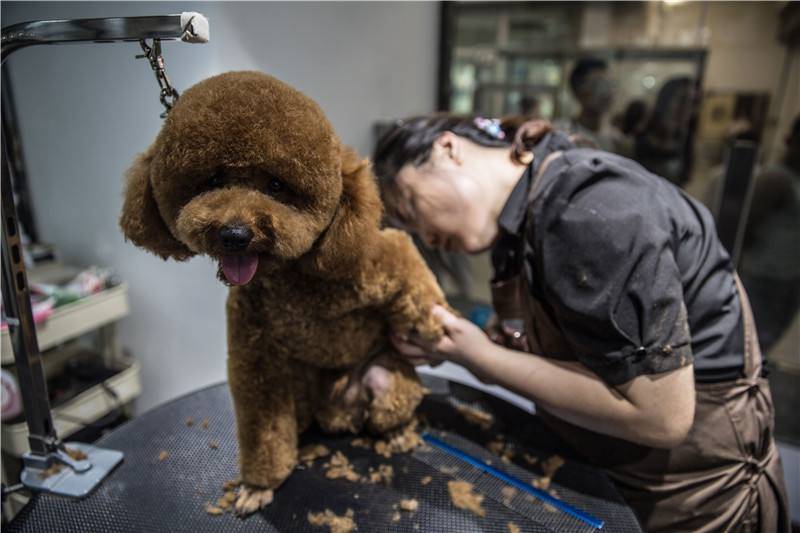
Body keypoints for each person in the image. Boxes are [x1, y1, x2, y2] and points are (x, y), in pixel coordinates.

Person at [372, 115, 790, 532]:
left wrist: (479, 357)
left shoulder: (588, 210)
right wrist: (481, 342)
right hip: (618, 475)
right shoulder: (525, 218)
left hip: (698, 498)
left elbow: (662, 416)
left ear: (448, 149)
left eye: (411, 208)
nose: (425, 239)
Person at [739, 116, 800, 352]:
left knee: (766, 339)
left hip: (788, 275)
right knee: (753, 340)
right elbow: (748, 222)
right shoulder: (776, 178)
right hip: (763, 275)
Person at [634, 77, 696, 186]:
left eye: (692, 102)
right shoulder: (641, 136)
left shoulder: (685, 143)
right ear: (666, 99)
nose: (687, 109)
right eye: (682, 100)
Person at [554, 57, 622, 153]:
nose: (606, 93)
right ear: (577, 91)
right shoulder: (560, 133)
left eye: (609, 85)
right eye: (597, 85)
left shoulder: (616, 140)